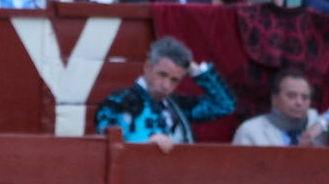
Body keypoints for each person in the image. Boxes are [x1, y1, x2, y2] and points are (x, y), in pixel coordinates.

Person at [94, 37, 235, 154]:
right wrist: (146, 144)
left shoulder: (178, 106)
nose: (166, 86)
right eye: (162, 75)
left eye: (174, 80)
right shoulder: (119, 102)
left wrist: (197, 71)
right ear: (148, 67)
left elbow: (224, 105)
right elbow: (112, 147)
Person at [232, 68, 329, 147]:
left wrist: (322, 123)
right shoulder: (250, 130)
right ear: (274, 99)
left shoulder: (315, 122)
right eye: (291, 96)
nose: (299, 102)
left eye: (305, 97)